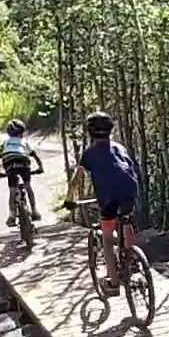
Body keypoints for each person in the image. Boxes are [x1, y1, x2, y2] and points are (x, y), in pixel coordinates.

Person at [64, 111, 140, 293]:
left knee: (107, 239)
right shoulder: (119, 148)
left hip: (108, 198)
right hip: (130, 190)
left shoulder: (89, 154)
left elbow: (77, 179)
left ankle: (113, 284)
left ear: (89, 132)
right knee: (126, 218)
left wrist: (70, 199)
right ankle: (131, 256)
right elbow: (131, 167)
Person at [0, 119, 44, 226]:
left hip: (9, 163)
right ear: (22, 133)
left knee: (12, 191)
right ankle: (35, 211)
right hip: (23, 161)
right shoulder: (24, 142)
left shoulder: (5, 143)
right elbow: (35, 156)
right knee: (27, 186)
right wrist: (40, 167)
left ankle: (12, 216)